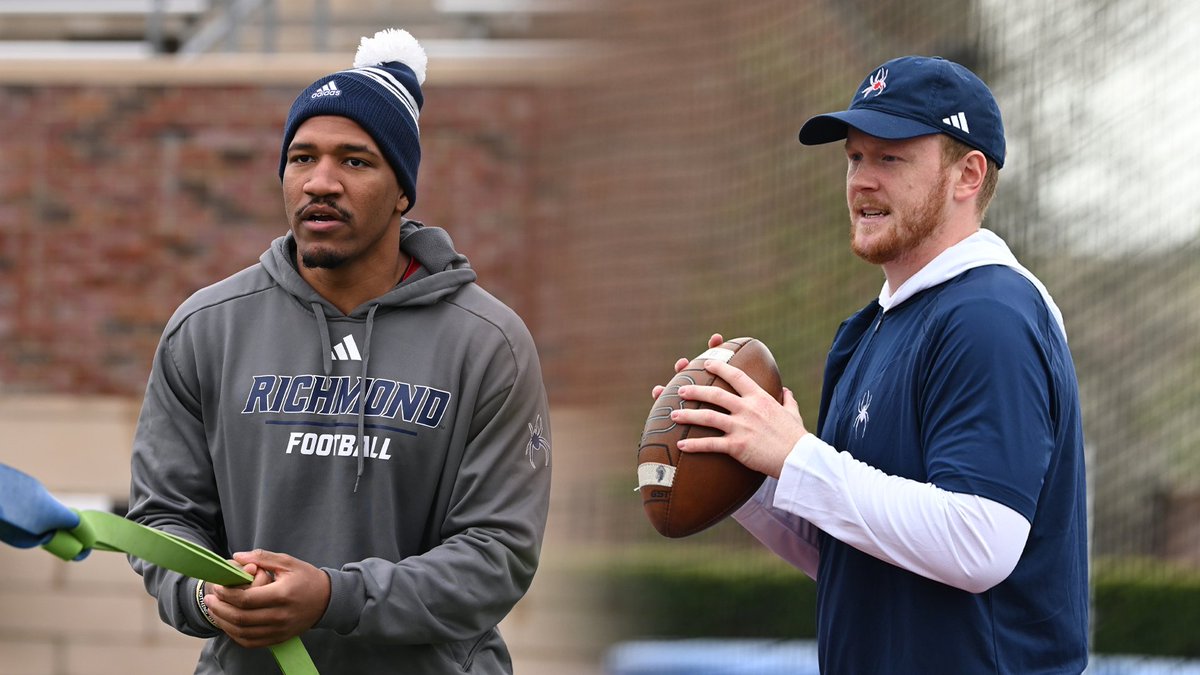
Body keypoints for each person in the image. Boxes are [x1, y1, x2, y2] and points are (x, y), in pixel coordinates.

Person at [126, 28, 552, 674]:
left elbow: (497, 555)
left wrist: (334, 595)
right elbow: (163, 515)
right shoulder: (206, 328)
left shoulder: (487, 343)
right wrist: (205, 591)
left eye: (355, 160)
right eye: (302, 158)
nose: (320, 182)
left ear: (403, 190)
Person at [660, 56, 1088, 673]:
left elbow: (980, 543)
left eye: (891, 158)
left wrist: (798, 457)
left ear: (967, 174)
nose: (861, 181)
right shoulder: (868, 329)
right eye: (855, 158)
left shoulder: (990, 313)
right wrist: (743, 463)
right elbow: (849, 552)